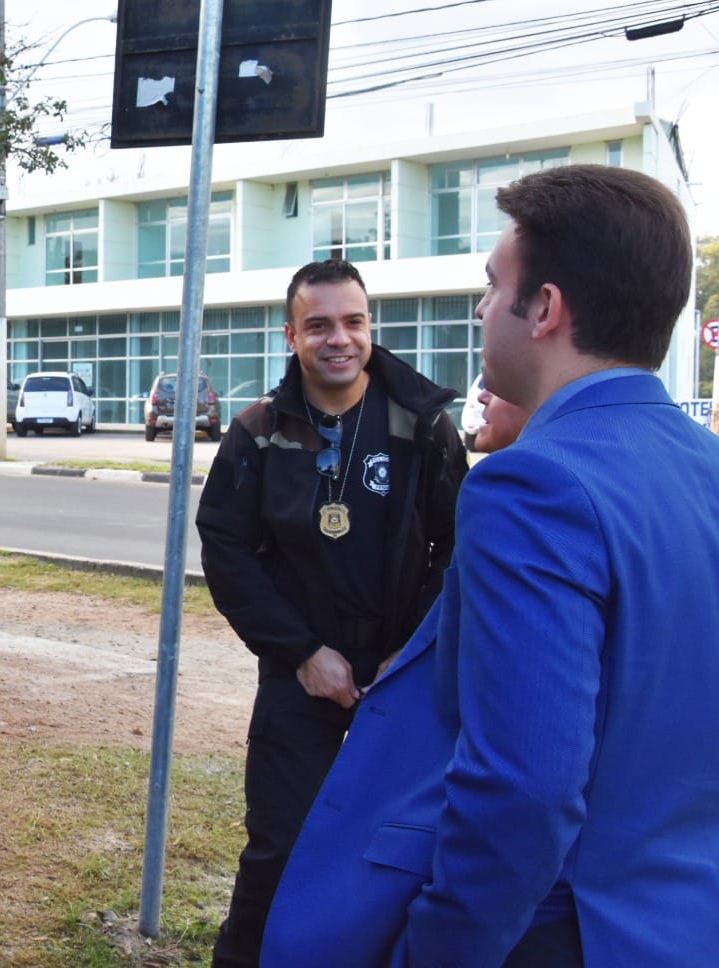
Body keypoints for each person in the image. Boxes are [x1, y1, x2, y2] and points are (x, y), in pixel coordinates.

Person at [262, 164, 719, 967]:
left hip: (557, 933)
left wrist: (433, 951)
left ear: (544, 309)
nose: (479, 309)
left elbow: (524, 792)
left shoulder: (532, 483)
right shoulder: (704, 467)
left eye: (491, 284)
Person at [194, 259, 467, 967]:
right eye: (319, 325)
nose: (338, 339)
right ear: (291, 335)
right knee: (280, 848)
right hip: (299, 670)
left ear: (370, 328)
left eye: (353, 322)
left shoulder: (423, 426)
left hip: (402, 675)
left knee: (397, 848)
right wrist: (302, 653)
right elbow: (226, 550)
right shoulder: (258, 433)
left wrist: (409, 655)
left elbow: (457, 545)